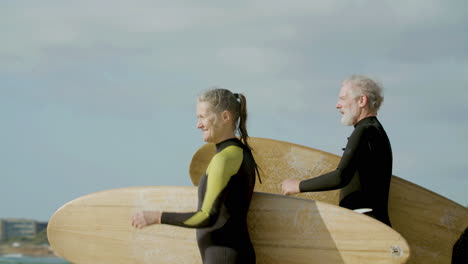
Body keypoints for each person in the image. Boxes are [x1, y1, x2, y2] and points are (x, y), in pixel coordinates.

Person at [131, 88, 260, 264]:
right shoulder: (240, 153)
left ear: (225, 117)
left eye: (202, 117)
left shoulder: (224, 159)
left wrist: (156, 216)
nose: (198, 125)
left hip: (224, 257)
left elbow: (207, 216)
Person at [281, 75, 393, 226]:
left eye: (343, 98)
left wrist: (298, 185)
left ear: (361, 101)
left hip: (365, 224)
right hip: (370, 222)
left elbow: (341, 176)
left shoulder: (365, 131)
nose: (337, 105)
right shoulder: (374, 131)